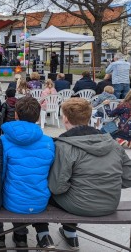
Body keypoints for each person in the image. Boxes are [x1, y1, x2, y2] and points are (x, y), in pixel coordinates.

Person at [49, 98, 131, 250]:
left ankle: (49, 235)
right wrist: (103, 182)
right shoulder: (113, 144)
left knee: (42, 191)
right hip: (110, 203)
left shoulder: (64, 146)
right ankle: (69, 233)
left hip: (79, 205)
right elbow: (128, 178)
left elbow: (57, 188)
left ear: (65, 118)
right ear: (88, 117)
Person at [0, 97, 55, 250]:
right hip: (39, 201)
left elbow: (1, 174)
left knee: (0, 188)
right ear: (38, 117)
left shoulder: (3, 140)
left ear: (16, 115)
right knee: (23, 184)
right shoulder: (49, 142)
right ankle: (20, 237)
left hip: (12, 201)